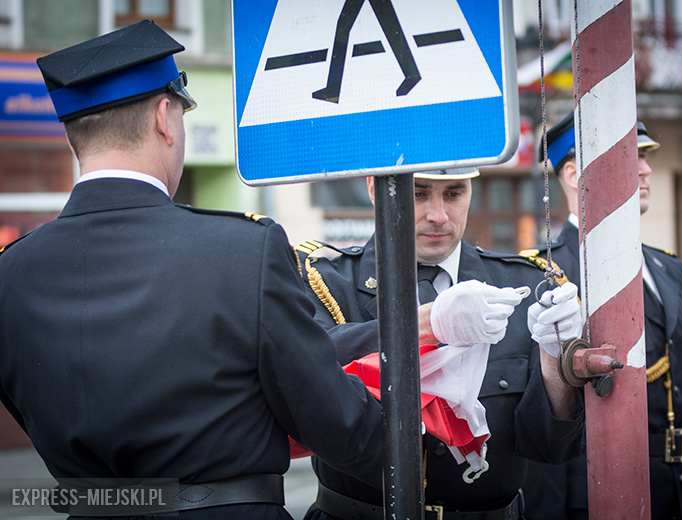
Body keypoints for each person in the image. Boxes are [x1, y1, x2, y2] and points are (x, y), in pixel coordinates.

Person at [0, 20, 398, 520]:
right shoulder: (244, 249)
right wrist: (417, 453)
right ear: (165, 119)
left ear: (73, 138)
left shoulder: (11, 274)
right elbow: (333, 420)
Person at [295, 167, 586, 520]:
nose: (438, 215)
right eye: (418, 193)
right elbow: (308, 377)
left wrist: (556, 364)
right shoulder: (328, 281)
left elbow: (551, 447)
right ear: (374, 188)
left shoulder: (518, 283)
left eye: (453, 193)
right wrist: (426, 325)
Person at [522, 112, 682, 520]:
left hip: (680, 490)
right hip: (595, 495)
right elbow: (539, 417)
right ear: (573, 175)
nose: (646, 169)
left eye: (645, 156)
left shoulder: (670, 269)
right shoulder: (543, 276)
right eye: (628, 156)